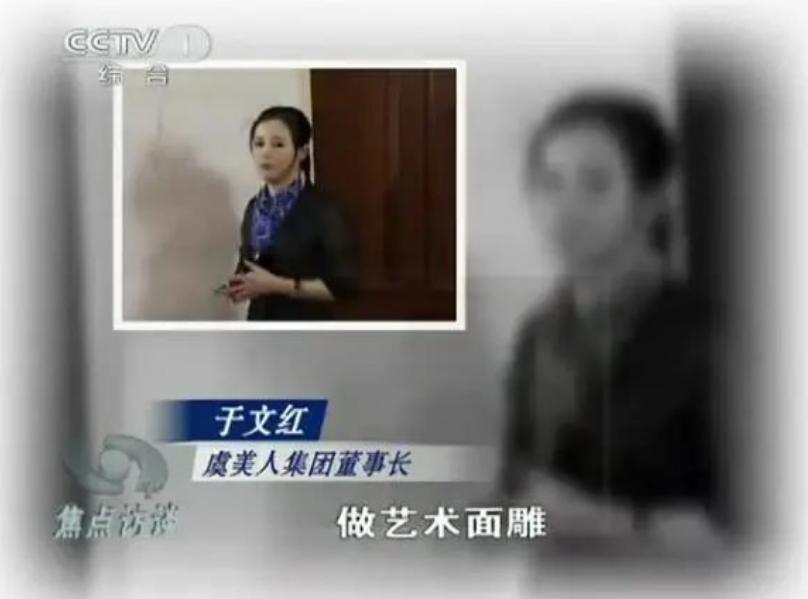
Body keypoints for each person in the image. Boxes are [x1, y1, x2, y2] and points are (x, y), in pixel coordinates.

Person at [501, 91, 726, 549]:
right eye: (549, 183)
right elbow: (519, 483)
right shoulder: (538, 334)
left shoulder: (712, 340)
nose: (565, 209)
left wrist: (610, 525)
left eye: (595, 184)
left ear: (653, 198)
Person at [228, 106, 358, 320]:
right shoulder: (254, 206)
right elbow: (248, 263)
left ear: (302, 152)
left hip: (305, 327)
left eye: (278, 144)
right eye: (259, 144)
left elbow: (344, 287)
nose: (266, 153)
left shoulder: (323, 210)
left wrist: (279, 285)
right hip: (259, 325)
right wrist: (239, 284)